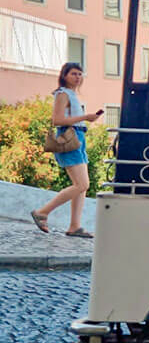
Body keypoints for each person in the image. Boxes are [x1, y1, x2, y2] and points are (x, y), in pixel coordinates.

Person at [31, 63, 100, 237]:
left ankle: (74, 226)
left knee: (82, 187)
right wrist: (85, 116)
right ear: (64, 75)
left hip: (78, 139)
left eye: (80, 74)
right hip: (69, 139)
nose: (78, 77)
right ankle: (42, 212)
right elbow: (57, 120)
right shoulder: (62, 94)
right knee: (82, 184)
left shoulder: (71, 94)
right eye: (73, 74)